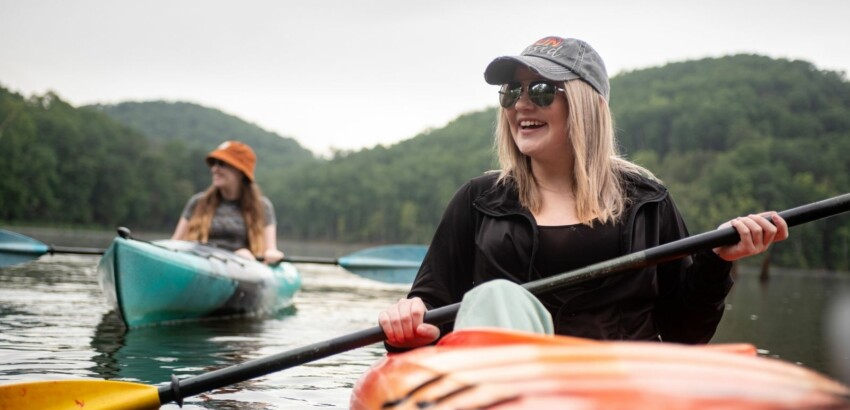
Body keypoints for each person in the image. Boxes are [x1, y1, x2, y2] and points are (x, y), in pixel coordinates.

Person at [378, 36, 788, 350]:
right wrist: (409, 323)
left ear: (584, 105)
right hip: (501, 383)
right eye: (511, 92)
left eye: (539, 91)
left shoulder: (647, 201)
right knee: (496, 297)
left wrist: (716, 262)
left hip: (614, 384)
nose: (521, 105)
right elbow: (430, 308)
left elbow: (685, 332)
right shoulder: (478, 201)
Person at [171, 140, 284, 265]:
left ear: (241, 172)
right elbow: (175, 243)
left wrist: (272, 255)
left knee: (244, 255)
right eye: (214, 163)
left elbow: (270, 250)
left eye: (222, 164)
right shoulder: (197, 202)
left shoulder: (263, 207)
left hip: (243, 267)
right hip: (200, 264)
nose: (214, 169)